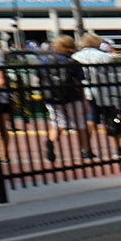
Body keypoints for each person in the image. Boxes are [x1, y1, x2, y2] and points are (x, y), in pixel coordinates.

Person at [37, 35, 88, 163]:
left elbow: (37, 79)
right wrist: (85, 101)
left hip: (52, 97)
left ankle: (51, 141)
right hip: (72, 97)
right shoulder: (73, 63)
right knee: (80, 123)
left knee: (58, 122)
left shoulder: (45, 61)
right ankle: (85, 150)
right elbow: (79, 83)